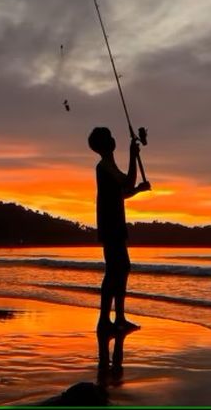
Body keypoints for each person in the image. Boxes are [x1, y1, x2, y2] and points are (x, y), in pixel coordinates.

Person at [88, 127, 151, 334]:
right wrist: (133, 156)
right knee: (118, 269)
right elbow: (127, 182)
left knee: (118, 270)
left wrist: (138, 191)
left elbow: (122, 192)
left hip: (112, 224)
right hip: (111, 224)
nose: (113, 139)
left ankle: (115, 319)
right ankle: (108, 320)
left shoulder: (108, 166)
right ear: (106, 144)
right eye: (109, 137)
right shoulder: (104, 166)